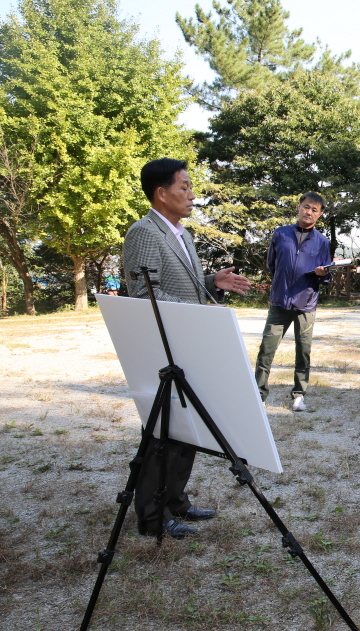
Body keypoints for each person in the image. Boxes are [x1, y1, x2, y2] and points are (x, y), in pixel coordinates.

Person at [123, 157, 251, 539]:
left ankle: (175, 503)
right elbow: (144, 292)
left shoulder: (181, 233)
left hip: (186, 344)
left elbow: (182, 287)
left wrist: (212, 281)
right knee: (165, 433)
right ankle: (152, 517)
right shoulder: (144, 233)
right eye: (184, 187)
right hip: (166, 345)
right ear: (161, 193)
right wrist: (196, 313)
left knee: (187, 430)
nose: (192, 195)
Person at [253, 193, 333, 411]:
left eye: (314, 210)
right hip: (279, 301)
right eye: (306, 207)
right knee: (266, 349)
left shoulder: (322, 241)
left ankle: (299, 395)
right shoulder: (281, 234)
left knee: (303, 350)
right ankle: (258, 394)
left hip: (306, 304)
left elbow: (327, 276)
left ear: (320, 214)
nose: (309, 212)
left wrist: (321, 273)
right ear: (299, 208)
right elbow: (272, 264)